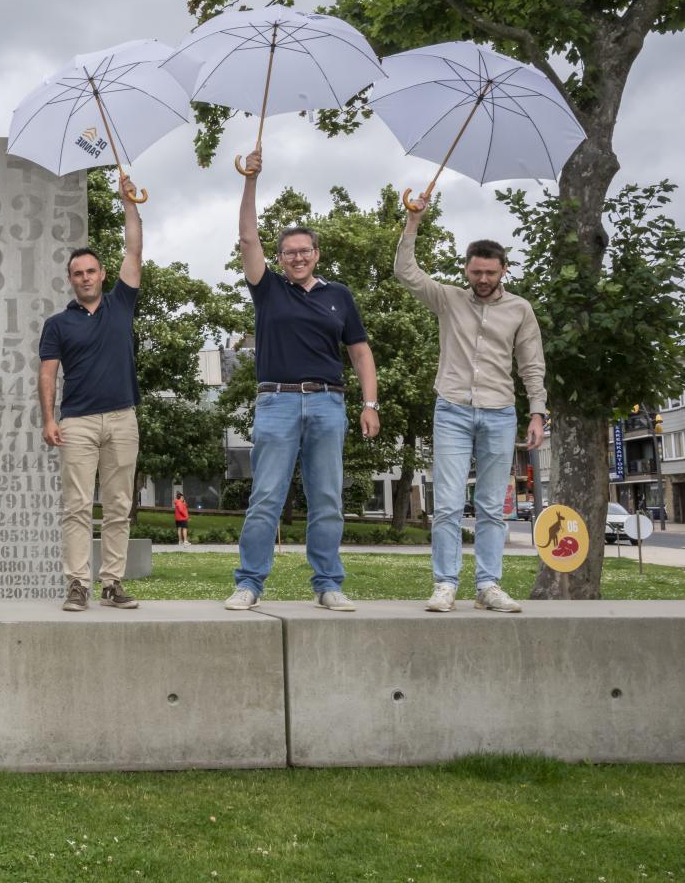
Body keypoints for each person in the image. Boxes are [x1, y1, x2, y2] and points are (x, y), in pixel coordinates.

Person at [226, 149, 380, 613]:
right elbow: (247, 237)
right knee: (265, 498)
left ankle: (328, 583)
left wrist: (370, 403)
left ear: (316, 254)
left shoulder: (340, 296)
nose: (297, 257)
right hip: (276, 403)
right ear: (279, 258)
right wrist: (250, 180)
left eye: (304, 251)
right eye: (289, 252)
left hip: (328, 404)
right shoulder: (268, 289)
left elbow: (359, 352)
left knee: (327, 499)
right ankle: (249, 583)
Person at [398, 196, 546, 613]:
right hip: (453, 411)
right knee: (447, 503)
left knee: (491, 506)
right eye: (476, 272)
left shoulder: (520, 309)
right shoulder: (448, 299)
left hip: (500, 413)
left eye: (490, 273)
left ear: (503, 271)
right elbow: (406, 272)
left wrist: (537, 412)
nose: (483, 279)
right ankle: (445, 584)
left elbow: (531, 364)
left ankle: (487, 586)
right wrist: (413, 222)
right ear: (466, 269)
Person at [39, 172, 144, 613]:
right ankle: (77, 584)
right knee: (77, 506)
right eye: (77, 273)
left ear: (102, 274)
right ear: (70, 279)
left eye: (90, 271)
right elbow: (47, 374)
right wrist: (49, 418)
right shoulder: (57, 324)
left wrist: (129, 203)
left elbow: (134, 250)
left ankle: (112, 583)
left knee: (119, 506)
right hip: (77, 422)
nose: (84, 277)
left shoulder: (121, 303)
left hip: (122, 417)